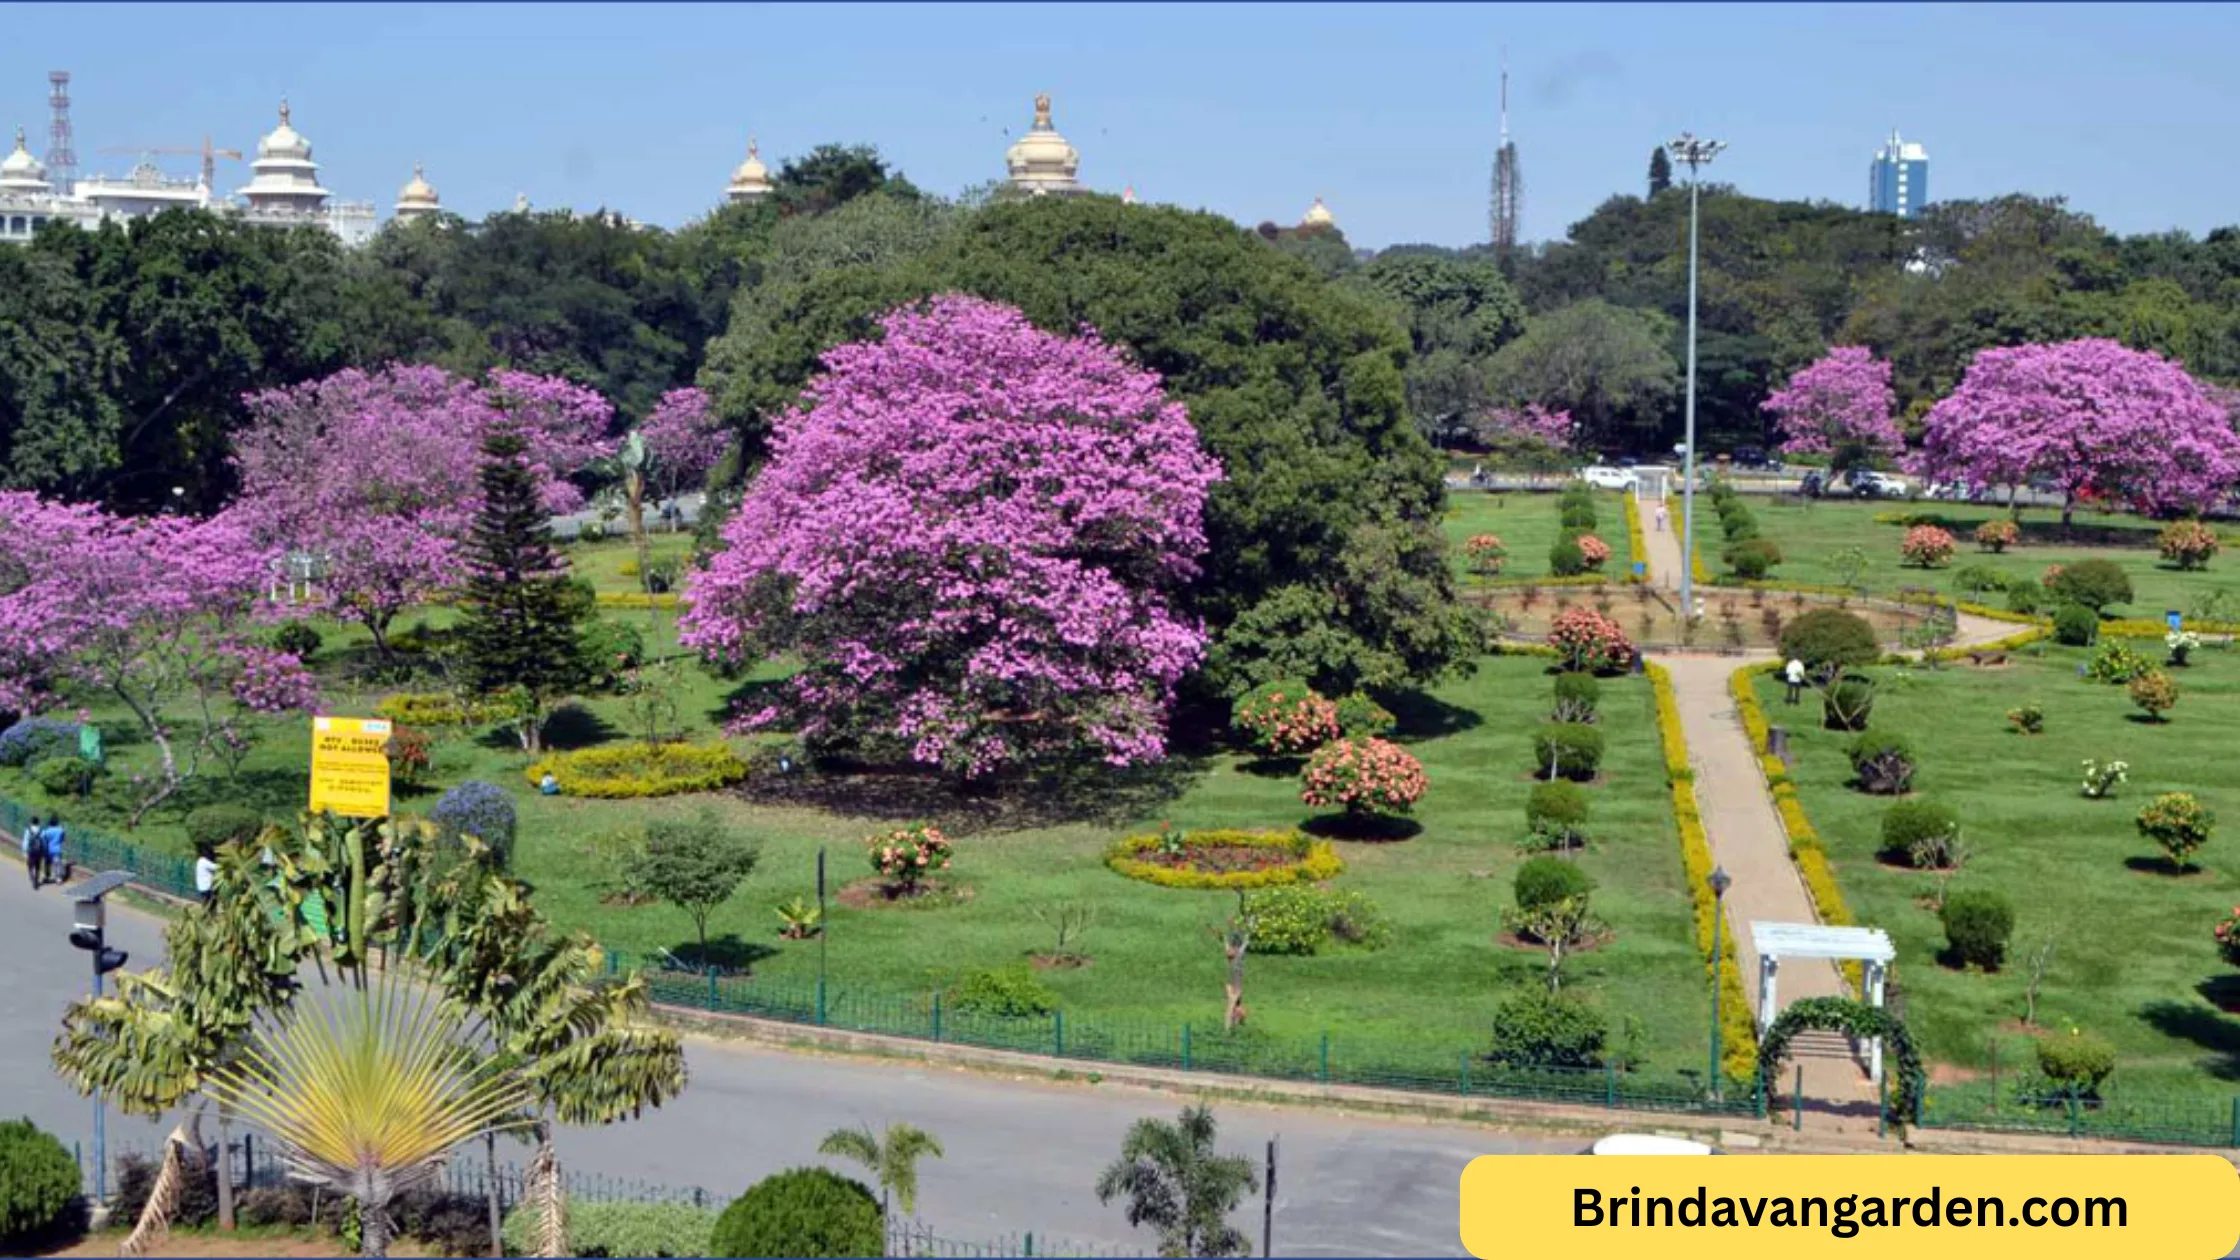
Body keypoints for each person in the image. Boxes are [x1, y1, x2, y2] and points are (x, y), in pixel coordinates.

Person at [41, 816, 65, 885]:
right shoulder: (60, 830)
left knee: (47, 864)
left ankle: (46, 876)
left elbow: (42, 838)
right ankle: (58, 879)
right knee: (57, 864)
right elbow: (63, 838)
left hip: (48, 850)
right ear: (57, 823)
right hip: (57, 849)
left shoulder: (47, 830)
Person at [21, 816, 42, 889]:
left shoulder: (28, 830)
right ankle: (36, 879)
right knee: (37, 865)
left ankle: (31, 876)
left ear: (31, 822)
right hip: (39, 851)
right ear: (38, 822)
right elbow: (44, 842)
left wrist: (24, 851)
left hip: (31, 850)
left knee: (30, 864)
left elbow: (25, 841)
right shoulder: (41, 831)